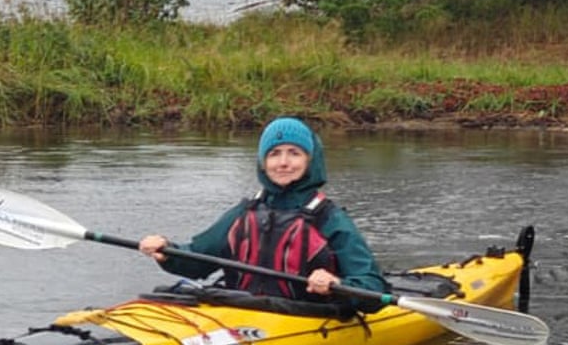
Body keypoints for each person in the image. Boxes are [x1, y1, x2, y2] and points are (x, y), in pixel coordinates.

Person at [138, 117, 387, 310]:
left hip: (306, 317)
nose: (283, 163)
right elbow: (197, 260)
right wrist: (167, 251)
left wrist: (336, 284)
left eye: (294, 153)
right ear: (263, 163)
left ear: (310, 161)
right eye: (274, 154)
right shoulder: (243, 214)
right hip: (241, 312)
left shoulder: (329, 219)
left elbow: (373, 286)